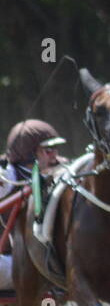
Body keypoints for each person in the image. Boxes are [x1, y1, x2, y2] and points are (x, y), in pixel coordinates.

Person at [1, 120, 68, 289]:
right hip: (10, 259)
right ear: (29, 154)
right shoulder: (8, 176)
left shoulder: (64, 169)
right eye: (48, 150)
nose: (54, 155)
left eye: (55, 149)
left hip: (49, 259)